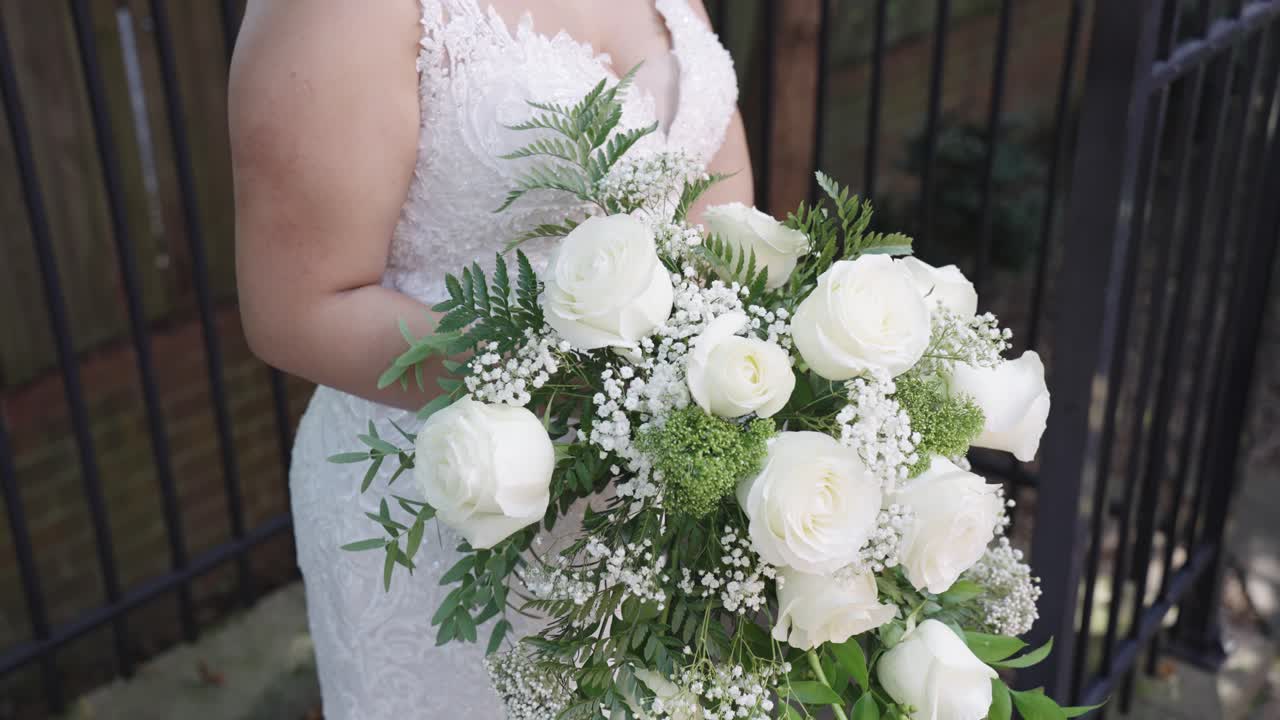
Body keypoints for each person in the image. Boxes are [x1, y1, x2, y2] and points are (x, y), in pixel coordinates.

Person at [230, 0, 749, 716]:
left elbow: (723, 222)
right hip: (449, 504)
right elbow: (297, 309)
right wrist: (597, 397)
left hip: (667, 496)